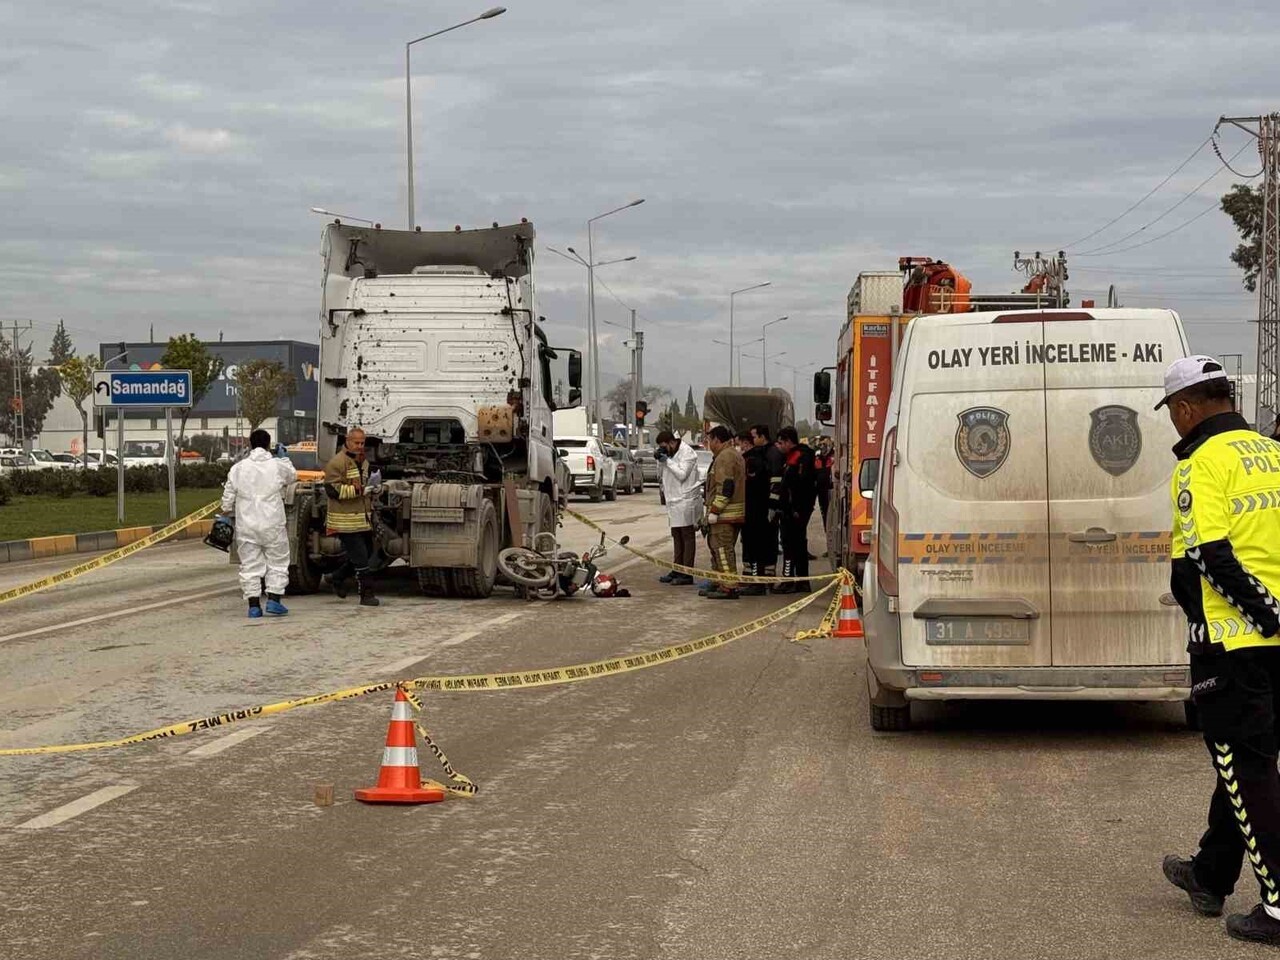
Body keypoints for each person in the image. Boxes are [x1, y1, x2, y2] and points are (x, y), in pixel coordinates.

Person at [1157, 356, 1280, 945]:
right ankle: (1210, 873)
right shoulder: (1272, 453)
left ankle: (1278, 905)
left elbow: (1208, 555)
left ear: (1185, 409)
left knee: (1248, 768)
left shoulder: (1200, 463)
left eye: (1173, 417)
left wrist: (1263, 612)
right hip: (1274, 643)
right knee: (1243, 759)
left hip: (1234, 642)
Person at [220, 428, 297, 619]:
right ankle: (274, 600)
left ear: (249, 444)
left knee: (249, 565)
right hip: (272, 522)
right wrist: (284, 458)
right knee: (278, 562)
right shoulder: (277, 465)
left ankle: (253, 606)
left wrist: (226, 511)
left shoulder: (239, 468)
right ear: (269, 444)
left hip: (247, 524)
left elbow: (228, 495)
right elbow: (292, 476)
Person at [321, 428, 383, 607]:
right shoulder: (336, 463)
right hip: (345, 520)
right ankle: (367, 594)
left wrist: (375, 488)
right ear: (347, 441)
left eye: (362, 443)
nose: (360, 446)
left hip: (362, 518)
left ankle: (336, 577)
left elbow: (364, 483)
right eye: (356, 443)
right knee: (362, 558)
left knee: (368, 551)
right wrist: (362, 491)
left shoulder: (362, 461)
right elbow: (332, 491)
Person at [701, 425, 746, 600]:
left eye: (709, 440)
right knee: (718, 550)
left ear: (717, 440)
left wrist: (714, 511)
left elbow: (725, 488)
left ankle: (729, 587)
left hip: (724, 515)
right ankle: (721, 583)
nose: (708, 444)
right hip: (728, 514)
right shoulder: (731, 455)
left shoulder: (725, 457)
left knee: (722, 551)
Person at [773, 426, 817, 594]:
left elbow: (799, 485)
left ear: (788, 441)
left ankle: (789, 580)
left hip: (795, 510)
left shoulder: (798, 457)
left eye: (781, 443)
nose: (779, 446)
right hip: (795, 509)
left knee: (791, 545)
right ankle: (800, 581)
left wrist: (794, 508)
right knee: (797, 545)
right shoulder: (795, 456)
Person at [654, 429, 700, 586]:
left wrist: (667, 461)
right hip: (673, 500)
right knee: (676, 536)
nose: (663, 449)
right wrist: (661, 460)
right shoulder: (671, 454)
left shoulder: (688, 453)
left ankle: (687, 573)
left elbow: (681, 474)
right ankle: (677, 568)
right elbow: (663, 476)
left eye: (663, 446)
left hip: (686, 499)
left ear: (672, 442)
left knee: (687, 536)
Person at [740, 427, 775, 597]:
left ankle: (756, 582)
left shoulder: (752, 460)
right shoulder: (761, 457)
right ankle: (754, 579)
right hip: (756, 509)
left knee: (754, 547)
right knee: (753, 546)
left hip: (753, 510)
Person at [749, 423, 784, 578]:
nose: (752, 439)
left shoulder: (772, 453)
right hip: (758, 504)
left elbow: (776, 481)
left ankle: (766, 575)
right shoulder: (760, 452)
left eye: (754, 436)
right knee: (758, 542)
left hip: (766, 506)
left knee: (767, 541)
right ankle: (762, 575)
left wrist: (772, 505)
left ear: (762, 437)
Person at [814, 438, 834, 531]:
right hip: (821, 489)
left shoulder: (834, 457)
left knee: (832, 511)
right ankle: (827, 529)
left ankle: (830, 528)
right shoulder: (817, 458)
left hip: (832, 489)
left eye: (824, 445)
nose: (822, 447)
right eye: (821, 445)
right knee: (824, 511)